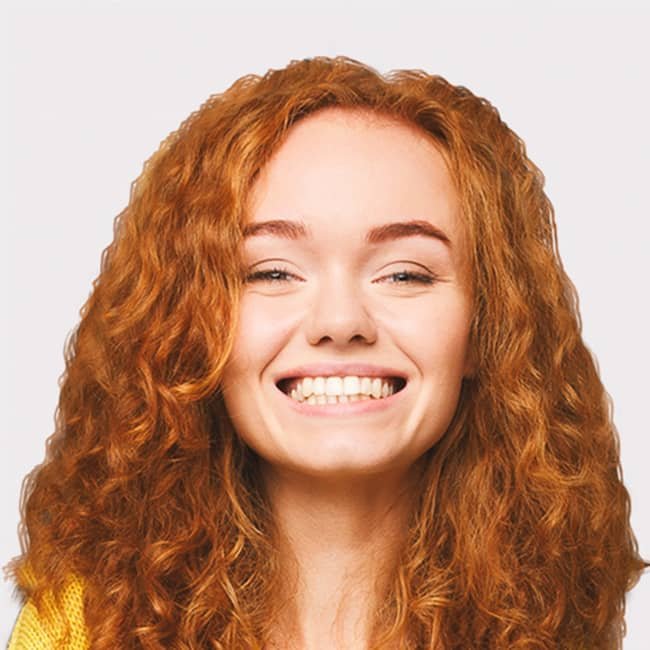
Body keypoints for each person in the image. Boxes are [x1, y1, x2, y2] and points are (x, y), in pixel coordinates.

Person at [6, 55, 647, 649]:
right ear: (190, 325)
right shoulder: (80, 628)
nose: (340, 322)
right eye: (272, 272)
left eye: (405, 274)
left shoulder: (558, 630)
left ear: (486, 327)